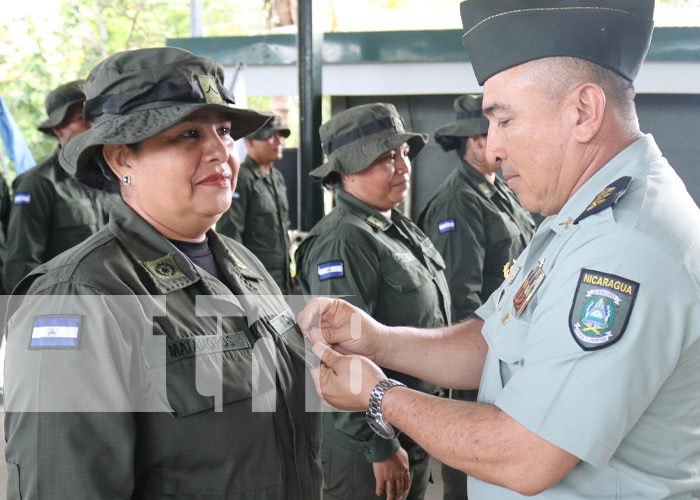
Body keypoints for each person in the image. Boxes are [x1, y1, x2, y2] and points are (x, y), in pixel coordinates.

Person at [299, 0, 700, 498]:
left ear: (584, 112)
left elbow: (527, 453)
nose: (491, 147)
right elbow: (494, 339)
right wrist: (378, 340)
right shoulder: (579, 217)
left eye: (505, 121)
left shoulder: (624, 244)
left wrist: (380, 395)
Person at [4, 47, 321, 499]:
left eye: (225, 131)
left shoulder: (245, 266)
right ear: (120, 159)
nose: (221, 151)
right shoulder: (79, 298)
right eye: (189, 134)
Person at [295, 102, 452, 500]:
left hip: (405, 422)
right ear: (346, 171)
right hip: (368, 446)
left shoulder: (393, 226)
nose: (403, 167)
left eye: (403, 154)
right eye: (386, 158)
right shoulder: (343, 240)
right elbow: (334, 356)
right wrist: (379, 445)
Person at [417, 94, 535, 500]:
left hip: (508, 348)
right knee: (470, 471)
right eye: (492, 133)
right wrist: (472, 364)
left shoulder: (495, 189)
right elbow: (461, 296)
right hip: (481, 354)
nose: (504, 145)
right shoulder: (458, 202)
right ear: (471, 142)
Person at [3, 80, 112, 293]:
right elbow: (21, 265)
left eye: (97, 117)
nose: (94, 126)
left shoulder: (115, 177)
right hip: (62, 307)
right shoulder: (39, 182)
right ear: (58, 130)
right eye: (83, 118)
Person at [216, 115, 295, 294]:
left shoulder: (277, 178)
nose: (278, 141)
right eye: (270, 136)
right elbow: (230, 233)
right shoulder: (242, 178)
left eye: (281, 136)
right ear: (250, 142)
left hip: (280, 281)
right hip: (257, 283)